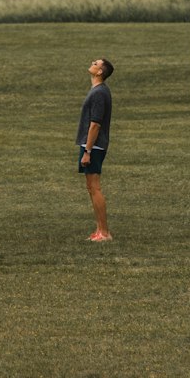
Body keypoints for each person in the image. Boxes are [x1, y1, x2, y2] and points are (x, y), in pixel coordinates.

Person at [77, 57, 114, 241]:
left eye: (96, 63)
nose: (92, 63)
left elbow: (95, 125)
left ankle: (104, 232)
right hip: (91, 144)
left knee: (95, 187)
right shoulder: (97, 90)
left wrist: (88, 151)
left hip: (94, 145)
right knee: (91, 187)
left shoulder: (99, 93)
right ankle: (99, 229)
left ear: (100, 72)